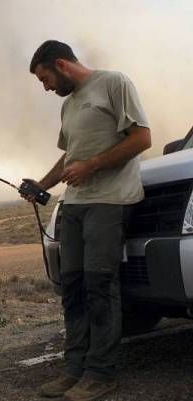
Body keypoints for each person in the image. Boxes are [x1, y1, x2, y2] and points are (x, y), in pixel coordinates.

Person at [25, 40, 151, 401]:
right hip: (75, 204)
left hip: (109, 201)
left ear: (61, 65)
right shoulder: (69, 105)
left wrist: (93, 165)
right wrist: (41, 185)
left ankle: (101, 373)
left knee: (99, 285)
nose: (46, 87)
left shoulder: (114, 83)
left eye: (45, 78)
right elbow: (71, 156)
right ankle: (75, 369)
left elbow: (142, 137)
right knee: (74, 287)